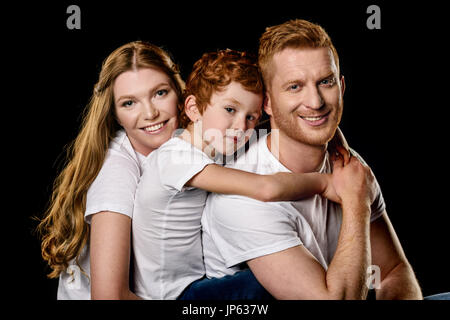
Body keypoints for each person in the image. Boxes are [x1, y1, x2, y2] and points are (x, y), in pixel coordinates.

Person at [201, 19, 425, 300]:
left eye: (325, 82)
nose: (316, 101)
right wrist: (357, 203)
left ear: (341, 86)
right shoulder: (241, 198)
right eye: (294, 87)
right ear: (267, 103)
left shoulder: (350, 167)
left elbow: (393, 271)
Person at [131, 49, 348, 300]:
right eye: (230, 110)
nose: (241, 127)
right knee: (271, 281)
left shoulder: (215, 146)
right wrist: (327, 183)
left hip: (199, 281)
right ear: (193, 108)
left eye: (251, 117)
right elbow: (265, 189)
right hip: (173, 295)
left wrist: (334, 142)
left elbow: (298, 124)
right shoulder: (176, 157)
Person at [37, 41, 185, 299]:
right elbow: (108, 297)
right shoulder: (116, 172)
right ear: (115, 114)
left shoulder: (188, 148)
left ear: (179, 92)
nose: (150, 113)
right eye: (130, 103)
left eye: (160, 93)